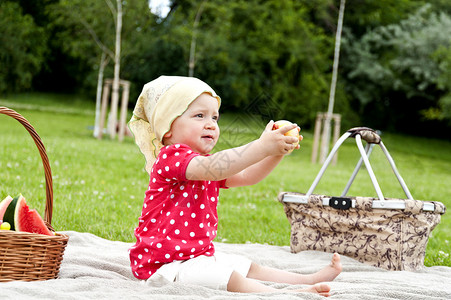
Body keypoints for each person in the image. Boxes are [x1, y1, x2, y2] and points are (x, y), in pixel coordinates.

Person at [128, 76, 341, 296]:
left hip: (195, 257)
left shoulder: (206, 162)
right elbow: (215, 167)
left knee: (246, 266)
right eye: (199, 116)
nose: (210, 123)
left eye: (214, 117)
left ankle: (305, 279)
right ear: (168, 129)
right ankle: (283, 295)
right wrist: (261, 146)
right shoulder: (171, 158)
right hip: (163, 266)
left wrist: (275, 152)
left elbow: (248, 175)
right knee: (230, 277)